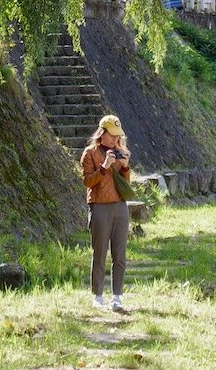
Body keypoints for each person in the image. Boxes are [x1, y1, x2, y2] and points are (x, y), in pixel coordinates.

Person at [80, 114, 132, 311]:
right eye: (111, 136)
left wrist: (125, 166)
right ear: (102, 133)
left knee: (120, 254)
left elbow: (126, 184)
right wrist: (104, 167)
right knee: (99, 252)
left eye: (117, 136)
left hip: (120, 207)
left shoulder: (120, 152)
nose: (114, 140)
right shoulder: (89, 153)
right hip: (99, 206)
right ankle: (98, 295)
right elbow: (87, 182)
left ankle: (117, 296)